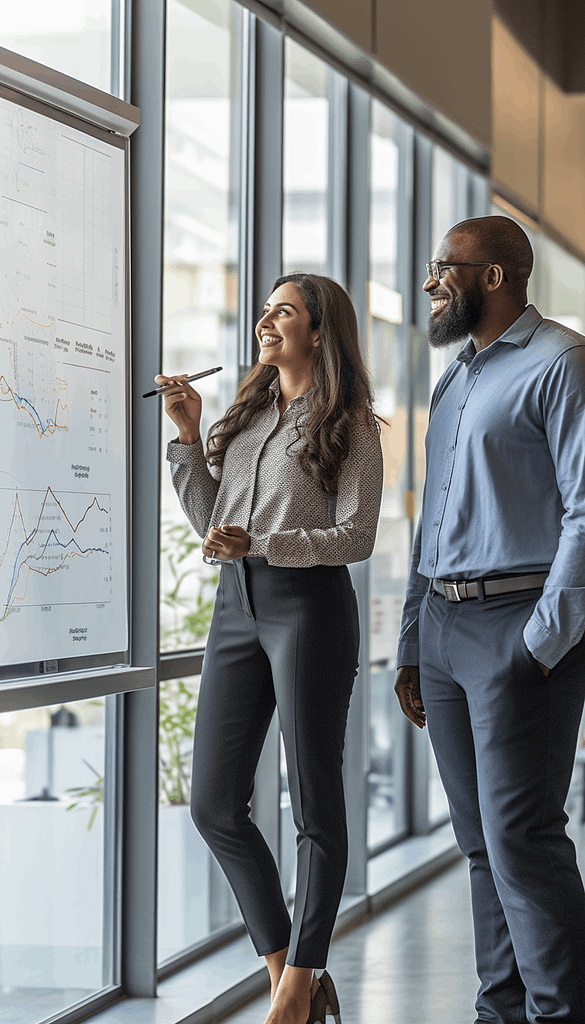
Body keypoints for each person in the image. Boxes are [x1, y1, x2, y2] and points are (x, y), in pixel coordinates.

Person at [156, 272, 383, 1024]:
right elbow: (210, 524)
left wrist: (261, 543)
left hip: (309, 609)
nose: (266, 321)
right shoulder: (248, 415)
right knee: (214, 804)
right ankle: (292, 975)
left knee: (314, 802)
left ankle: (295, 986)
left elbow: (356, 536)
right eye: (264, 310)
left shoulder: (348, 421)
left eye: (283, 311)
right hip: (236, 607)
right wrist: (188, 437)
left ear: (318, 331)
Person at [394, 215, 585, 1023]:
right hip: (443, 628)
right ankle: (497, 1012)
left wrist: (540, 642)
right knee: (477, 843)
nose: (430, 281)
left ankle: (558, 1012)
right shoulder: (455, 379)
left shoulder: (562, 362)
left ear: (493, 277)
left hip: (518, 623)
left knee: (520, 838)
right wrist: (413, 641)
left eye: (444, 266)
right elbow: (431, 520)